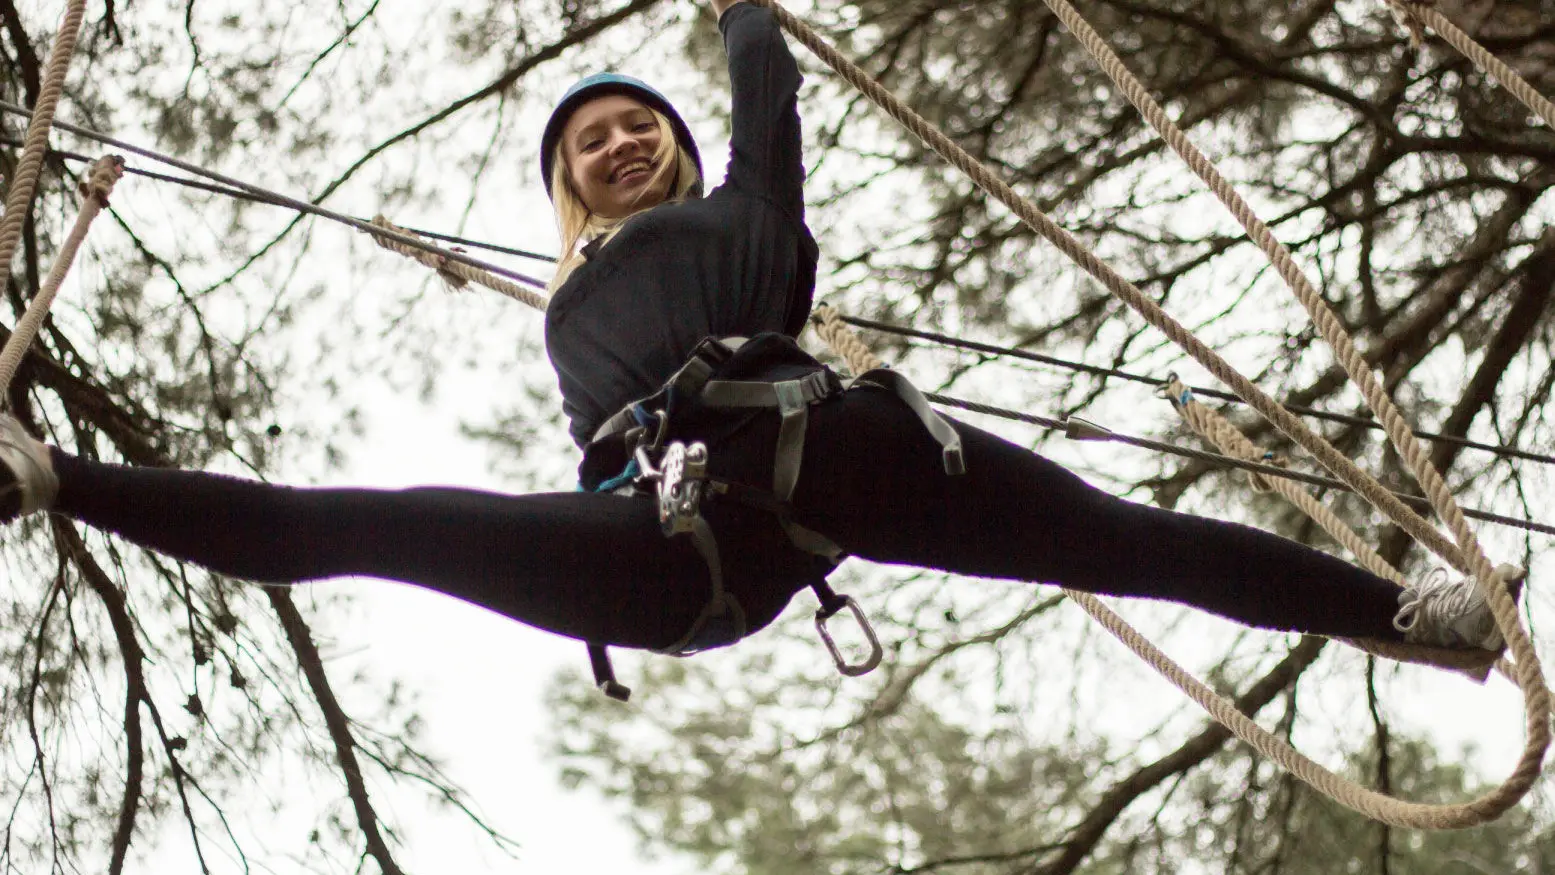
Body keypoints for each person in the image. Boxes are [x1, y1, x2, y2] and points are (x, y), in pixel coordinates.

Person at [0, 0, 1522, 689]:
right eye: (590, 139)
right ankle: (54, 476)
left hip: (849, 452)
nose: (616, 145)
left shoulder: (747, 216)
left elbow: (762, 86)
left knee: (1130, 540)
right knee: (373, 527)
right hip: (669, 547)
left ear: (675, 152)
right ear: (563, 186)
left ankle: (1409, 616)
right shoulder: (562, 310)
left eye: (637, 127)